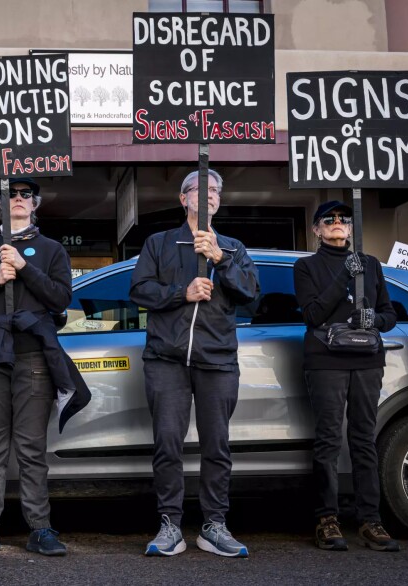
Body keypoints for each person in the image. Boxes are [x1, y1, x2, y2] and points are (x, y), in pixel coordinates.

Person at [0, 178, 85, 557]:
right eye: (11, 194)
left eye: (26, 195)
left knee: (30, 447)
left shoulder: (52, 250)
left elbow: (60, 299)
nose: (19, 200)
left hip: (33, 357)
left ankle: (40, 528)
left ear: (36, 205)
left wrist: (24, 267)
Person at [130, 169, 259, 558]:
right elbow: (139, 290)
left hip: (217, 360)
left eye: (217, 190)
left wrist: (220, 259)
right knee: (168, 443)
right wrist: (181, 293)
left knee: (217, 445)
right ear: (184, 198)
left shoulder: (233, 247)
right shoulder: (159, 242)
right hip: (166, 360)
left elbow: (251, 295)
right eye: (202, 189)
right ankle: (170, 524)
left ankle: (214, 525)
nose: (211, 195)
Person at [293, 201, 400, 552]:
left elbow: (390, 314)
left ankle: (371, 520)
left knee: (364, 439)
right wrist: (344, 277)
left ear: (351, 229)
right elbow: (312, 315)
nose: (338, 222)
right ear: (317, 230)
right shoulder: (306, 266)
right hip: (325, 360)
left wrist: (373, 320)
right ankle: (327, 519)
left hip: (367, 359)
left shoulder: (371, 265)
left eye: (344, 219)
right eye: (329, 219)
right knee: (327, 440)